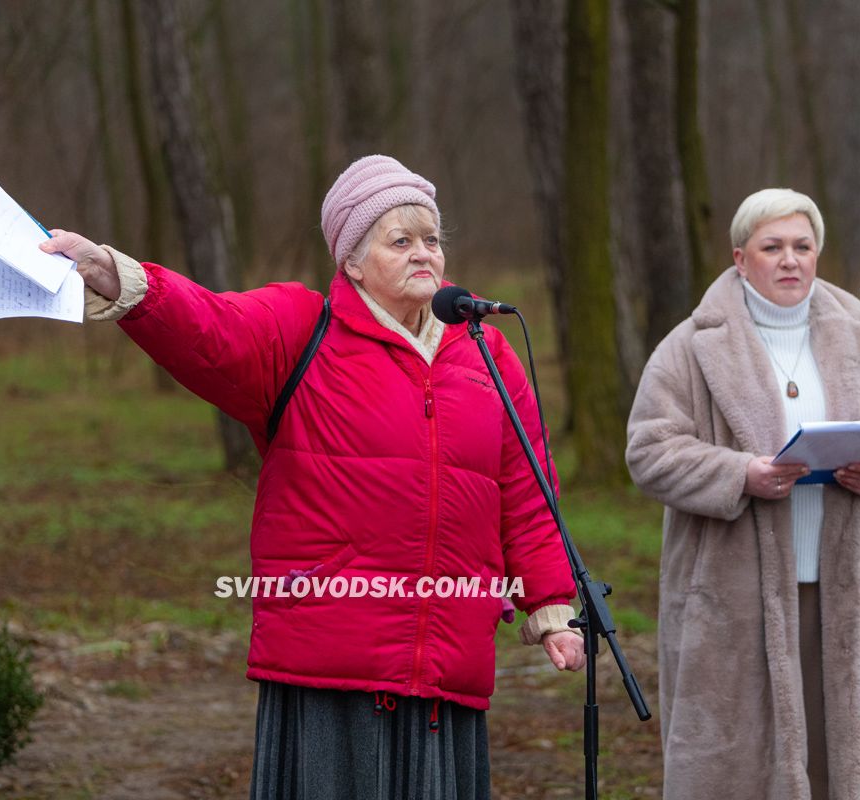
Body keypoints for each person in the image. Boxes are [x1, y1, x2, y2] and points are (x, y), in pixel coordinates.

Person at [42, 155, 586, 799]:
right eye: (400, 240)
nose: (425, 255)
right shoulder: (303, 329)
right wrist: (120, 278)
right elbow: (208, 328)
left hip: (446, 666)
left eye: (432, 239)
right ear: (351, 262)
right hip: (333, 669)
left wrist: (551, 608)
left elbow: (526, 493)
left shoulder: (488, 354)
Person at [625, 188, 860, 800]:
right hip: (730, 597)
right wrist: (740, 474)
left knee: (835, 763)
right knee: (737, 767)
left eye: (802, 246)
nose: (790, 260)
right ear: (741, 259)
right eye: (773, 247)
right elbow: (649, 451)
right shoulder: (691, 347)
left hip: (841, 589)